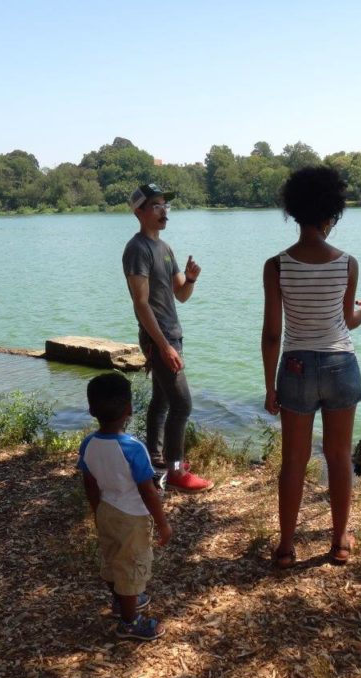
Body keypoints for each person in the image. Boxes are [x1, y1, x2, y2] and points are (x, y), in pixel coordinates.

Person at [261, 166, 361, 569]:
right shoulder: (348, 264)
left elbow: (272, 334)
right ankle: (339, 544)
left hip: (294, 364)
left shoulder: (276, 265)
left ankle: (284, 547)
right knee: (338, 456)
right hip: (340, 364)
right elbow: (347, 321)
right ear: (331, 214)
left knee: (293, 461)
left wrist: (269, 386)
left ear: (294, 212)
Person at [123, 182, 212, 493]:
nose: (164, 211)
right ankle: (175, 472)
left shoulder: (165, 248)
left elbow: (181, 295)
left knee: (161, 400)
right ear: (140, 212)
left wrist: (190, 278)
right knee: (182, 404)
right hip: (158, 339)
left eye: (165, 205)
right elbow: (140, 302)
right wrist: (162, 347)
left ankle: (155, 459)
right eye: (156, 205)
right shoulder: (137, 249)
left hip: (172, 334)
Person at [78, 372, 172, 640]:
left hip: (106, 510)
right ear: (129, 410)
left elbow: (90, 482)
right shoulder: (134, 448)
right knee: (131, 567)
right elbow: (147, 491)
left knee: (112, 559)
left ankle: (121, 601)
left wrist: (96, 511)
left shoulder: (88, 444)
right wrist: (163, 523)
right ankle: (130, 623)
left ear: (91, 410)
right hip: (131, 518)